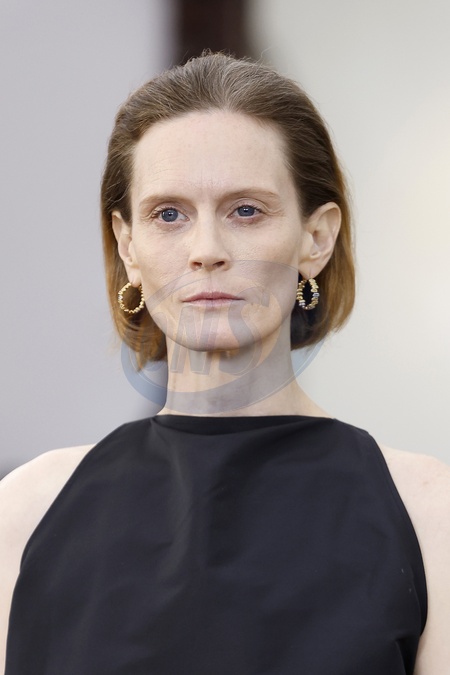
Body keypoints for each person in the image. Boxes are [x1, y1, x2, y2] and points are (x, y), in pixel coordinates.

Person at [1, 52, 449, 675]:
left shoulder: (428, 512)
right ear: (129, 246)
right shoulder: (26, 510)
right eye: (168, 215)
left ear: (316, 238)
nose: (206, 250)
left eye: (246, 210)